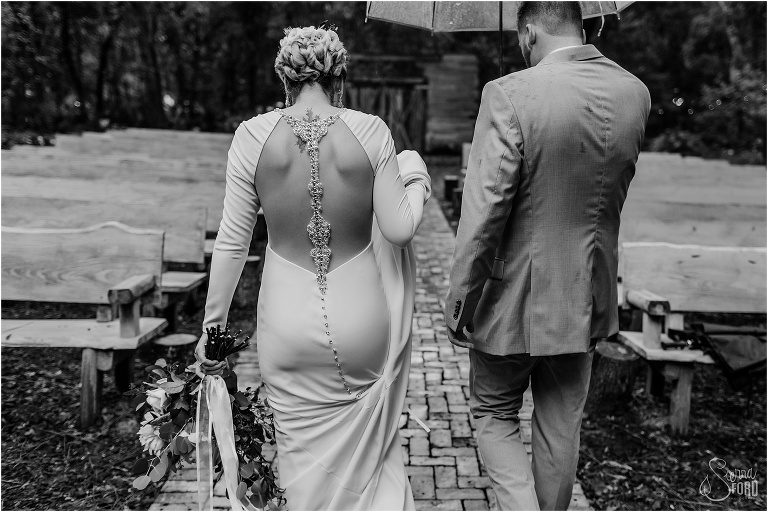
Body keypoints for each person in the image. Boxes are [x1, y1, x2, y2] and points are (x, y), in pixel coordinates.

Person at [195, 25, 431, 510]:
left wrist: (212, 328)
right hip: (360, 318)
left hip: (285, 323)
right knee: (374, 462)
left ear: (285, 81)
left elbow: (233, 242)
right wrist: (416, 180)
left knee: (296, 462)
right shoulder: (371, 132)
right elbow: (400, 228)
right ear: (339, 79)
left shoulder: (252, 137)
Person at [444, 2, 650, 510]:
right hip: (585, 297)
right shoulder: (634, 94)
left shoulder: (508, 94)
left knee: (492, 413)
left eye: (521, 39)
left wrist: (459, 303)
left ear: (530, 31)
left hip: (509, 301)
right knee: (561, 425)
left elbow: (484, 216)